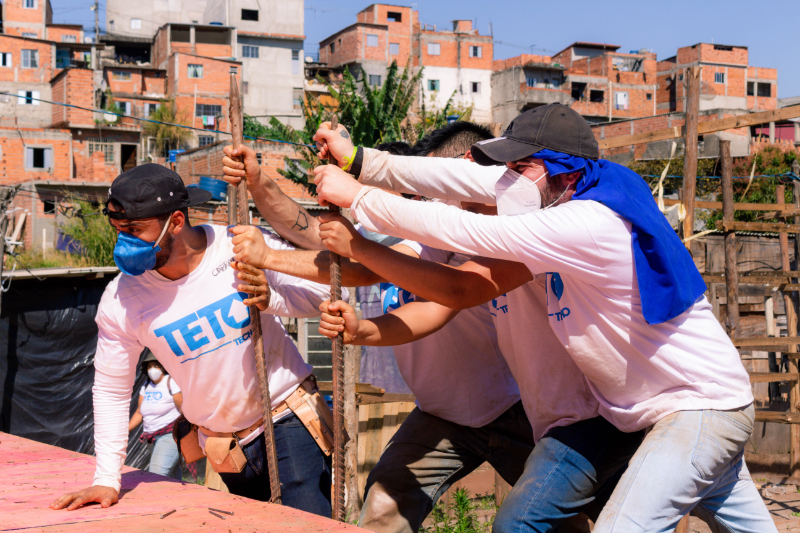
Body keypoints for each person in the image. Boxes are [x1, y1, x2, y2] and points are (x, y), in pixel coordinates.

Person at [310, 103, 776, 533]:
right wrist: (360, 160)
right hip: (658, 409)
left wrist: (360, 198)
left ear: (564, 171)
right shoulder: (576, 185)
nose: (507, 180)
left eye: (520, 168)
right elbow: (455, 175)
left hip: (696, 408)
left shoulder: (586, 222)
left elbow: (466, 229)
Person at [222, 122, 637, 533]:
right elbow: (326, 241)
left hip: (521, 412)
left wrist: (276, 255)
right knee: (384, 506)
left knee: (562, 520)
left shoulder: (517, 230)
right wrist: (261, 183)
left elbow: (441, 291)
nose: (430, 190)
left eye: (434, 178)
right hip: (441, 415)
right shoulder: (428, 227)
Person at [50, 164, 339, 516]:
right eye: (119, 231)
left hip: (286, 416)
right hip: (225, 447)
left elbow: (324, 292)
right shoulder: (122, 299)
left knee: (306, 523)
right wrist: (107, 479)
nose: (124, 242)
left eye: (134, 230)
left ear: (175, 222)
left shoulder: (240, 245)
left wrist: (272, 300)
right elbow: (112, 389)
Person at [129, 351, 183, 479]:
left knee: (156, 475)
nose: (152, 369)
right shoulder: (146, 386)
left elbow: (184, 408)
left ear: (163, 367)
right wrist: (124, 431)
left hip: (170, 435)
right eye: (149, 367)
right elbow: (139, 412)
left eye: (155, 366)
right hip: (151, 438)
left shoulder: (171, 382)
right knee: (172, 478)